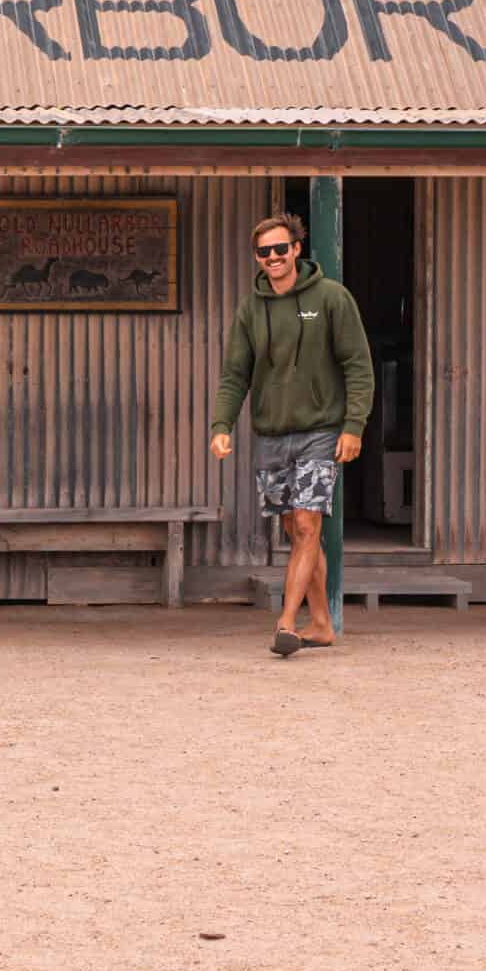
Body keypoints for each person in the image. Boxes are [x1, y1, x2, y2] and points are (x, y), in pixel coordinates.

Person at [210, 212, 375, 658]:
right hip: (271, 435)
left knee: (307, 523)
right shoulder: (251, 308)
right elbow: (234, 374)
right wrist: (221, 426)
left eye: (281, 249)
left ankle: (286, 622)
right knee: (298, 530)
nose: (273, 258)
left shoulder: (332, 298)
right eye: (264, 252)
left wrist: (353, 425)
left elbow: (358, 366)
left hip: (320, 431)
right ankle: (321, 624)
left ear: (297, 249)